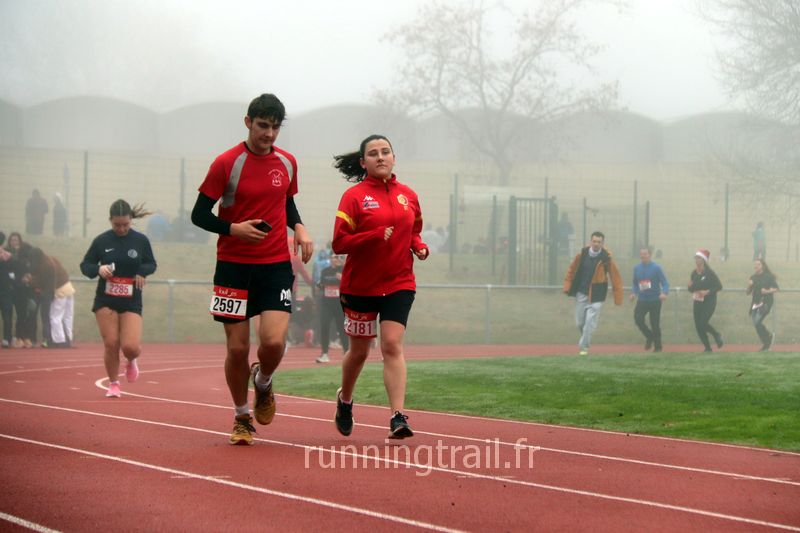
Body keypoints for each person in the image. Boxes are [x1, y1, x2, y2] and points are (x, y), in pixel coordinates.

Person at [190, 93, 313, 446]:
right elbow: (198, 215)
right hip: (233, 268)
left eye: (275, 127)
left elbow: (286, 202)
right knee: (237, 350)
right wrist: (233, 229)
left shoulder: (287, 162)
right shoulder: (226, 163)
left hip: (274, 266)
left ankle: (263, 381)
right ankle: (242, 416)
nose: (268, 134)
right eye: (262, 126)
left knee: (273, 342)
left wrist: (299, 227)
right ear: (248, 122)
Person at [330, 134, 429, 440]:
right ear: (363, 162)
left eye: (386, 152)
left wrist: (418, 246)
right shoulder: (354, 197)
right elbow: (339, 242)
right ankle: (345, 399)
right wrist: (373, 235)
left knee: (391, 345)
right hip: (360, 287)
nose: (381, 157)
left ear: (394, 158)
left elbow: (413, 231)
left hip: (399, 282)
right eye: (373, 153)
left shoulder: (408, 196)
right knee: (359, 352)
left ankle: (398, 416)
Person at [80, 200, 157, 397]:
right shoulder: (101, 241)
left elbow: (151, 263)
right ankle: (114, 384)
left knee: (130, 347)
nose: (121, 229)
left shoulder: (140, 240)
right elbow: (85, 265)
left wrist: (142, 272)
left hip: (131, 300)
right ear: (110, 221)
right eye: (117, 225)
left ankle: (131, 360)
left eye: (125, 224)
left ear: (131, 220)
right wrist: (98, 269)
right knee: (111, 343)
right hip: (105, 299)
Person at [563, 231, 623, 355]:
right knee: (580, 323)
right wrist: (567, 286)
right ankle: (585, 340)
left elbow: (615, 277)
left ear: (602, 243)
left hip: (597, 294)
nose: (596, 244)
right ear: (590, 241)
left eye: (599, 242)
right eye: (594, 241)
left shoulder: (606, 259)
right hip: (581, 293)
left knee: (589, 322)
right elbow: (571, 270)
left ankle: (584, 348)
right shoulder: (582, 254)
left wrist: (618, 297)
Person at [629, 246, 669, 352]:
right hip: (642, 300)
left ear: (650, 255)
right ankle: (650, 336)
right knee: (638, 319)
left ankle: (658, 347)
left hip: (655, 300)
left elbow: (665, 283)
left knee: (654, 323)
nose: (643, 256)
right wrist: (634, 293)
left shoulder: (656, 268)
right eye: (641, 254)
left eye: (645, 254)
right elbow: (635, 283)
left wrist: (664, 293)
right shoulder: (637, 268)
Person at [688, 249, 723, 353]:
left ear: (703, 260)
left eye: (698, 258)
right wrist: (689, 287)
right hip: (697, 301)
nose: (696, 260)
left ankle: (716, 335)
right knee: (698, 326)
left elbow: (719, 286)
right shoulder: (694, 273)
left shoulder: (709, 273)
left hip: (709, 302)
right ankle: (707, 347)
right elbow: (691, 289)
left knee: (703, 322)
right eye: (695, 258)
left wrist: (707, 292)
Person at [315, 254, 349, 363]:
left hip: (339, 304)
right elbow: (321, 285)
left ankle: (347, 352)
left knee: (342, 328)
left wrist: (343, 279)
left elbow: (350, 284)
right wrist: (319, 286)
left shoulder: (345, 270)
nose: (336, 259)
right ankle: (324, 354)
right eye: (333, 257)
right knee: (324, 326)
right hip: (327, 304)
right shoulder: (325, 271)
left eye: (338, 257)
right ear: (330, 259)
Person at [747, 258, 779, 351]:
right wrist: (749, 285)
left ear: (762, 266)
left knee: (757, 322)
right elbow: (748, 292)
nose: (756, 266)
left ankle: (767, 342)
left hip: (766, 302)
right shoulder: (753, 277)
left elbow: (776, 289)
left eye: (758, 264)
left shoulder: (768, 277)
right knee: (756, 324)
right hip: (755, 303)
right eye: (755, 264)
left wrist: (767, 291)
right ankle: (768, 338)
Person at [0, 232, 13, 348]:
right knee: (7, 315)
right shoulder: (8, 255)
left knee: (7, 315)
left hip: (5, 290)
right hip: (6, 290)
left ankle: (7, 339)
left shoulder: (7, 256)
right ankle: (7, 339)